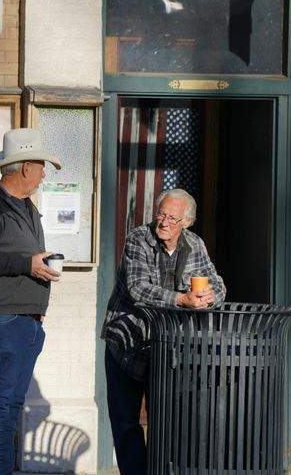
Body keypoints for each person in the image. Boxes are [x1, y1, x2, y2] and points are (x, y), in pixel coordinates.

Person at [101, 188, 226, 474]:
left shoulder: (195, 244)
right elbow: (138, 289)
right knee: (126, 423)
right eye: (161, 214)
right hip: (127, 343)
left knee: (166, 421)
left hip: (168, 349)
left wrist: (210, 297)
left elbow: (217, 283)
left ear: (187, 222)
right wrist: (182, 299)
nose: (164, 222)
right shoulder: (138, 239)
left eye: (172, 217)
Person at [0, 128, 63, 475]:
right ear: (23, 168)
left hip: (26, 321)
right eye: (40, 165)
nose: (44, 172)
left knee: (7, 410)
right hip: (5, 320)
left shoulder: (26, 206)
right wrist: (28, 263)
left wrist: (38, 274)